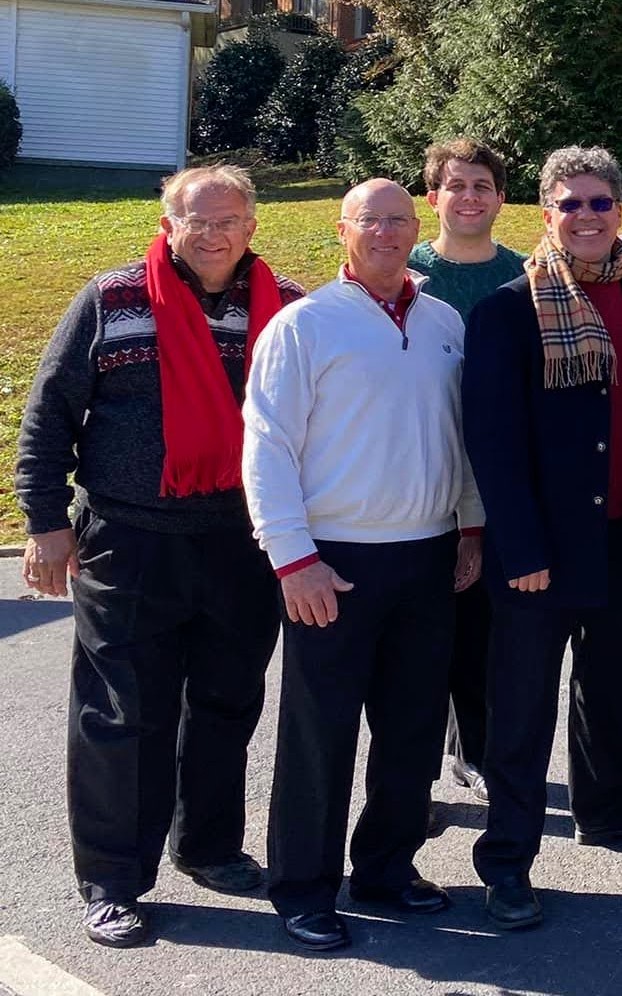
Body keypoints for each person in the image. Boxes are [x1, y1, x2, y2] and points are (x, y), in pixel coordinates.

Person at [16, 165, 303, 948]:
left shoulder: (289, 311)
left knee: (225, 701)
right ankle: (112, 879)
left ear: (252, 226)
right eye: (196, 220)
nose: (212, 235)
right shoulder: (111, 301)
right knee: (120, 715)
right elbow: (48, 414)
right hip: (128, 539)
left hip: (242, 541)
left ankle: (207, 848)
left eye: (229, 220)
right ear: (169, 222)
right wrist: (46, 523)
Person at [244, 179, 484, 952]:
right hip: (331, 561)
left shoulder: (445, 320)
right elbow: (267, 446)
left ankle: (385, 867)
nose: (385, 231)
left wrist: (470, 528)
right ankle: (303, 887)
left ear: (417, 229)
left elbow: (463, 434)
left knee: (412, 728)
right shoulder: (303, 325)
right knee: (321, 732)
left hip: (429, 554)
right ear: (343, 231)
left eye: (397, 220)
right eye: (369, 220)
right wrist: (293, 560)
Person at [463, 147, 622, 930]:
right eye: (570, 205)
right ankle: (507, 861)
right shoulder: (508, 310)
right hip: (539, 549)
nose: (587, 217)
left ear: (619, 211)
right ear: (545, 215)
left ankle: (608, 809)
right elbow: (490, 443)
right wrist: (521, 550)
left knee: (612, 682)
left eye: (600, 203)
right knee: (521, 707)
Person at [407, 138, 527, 811]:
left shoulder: (525, 275)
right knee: (419, 642)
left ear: (500, 197)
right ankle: (413, 771)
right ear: (435, 198)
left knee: (483, 633)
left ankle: (474, 751)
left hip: (495, 483)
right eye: (457, 186)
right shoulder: (409, 270)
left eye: (483, 185)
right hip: (417, 478)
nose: (470, 197)